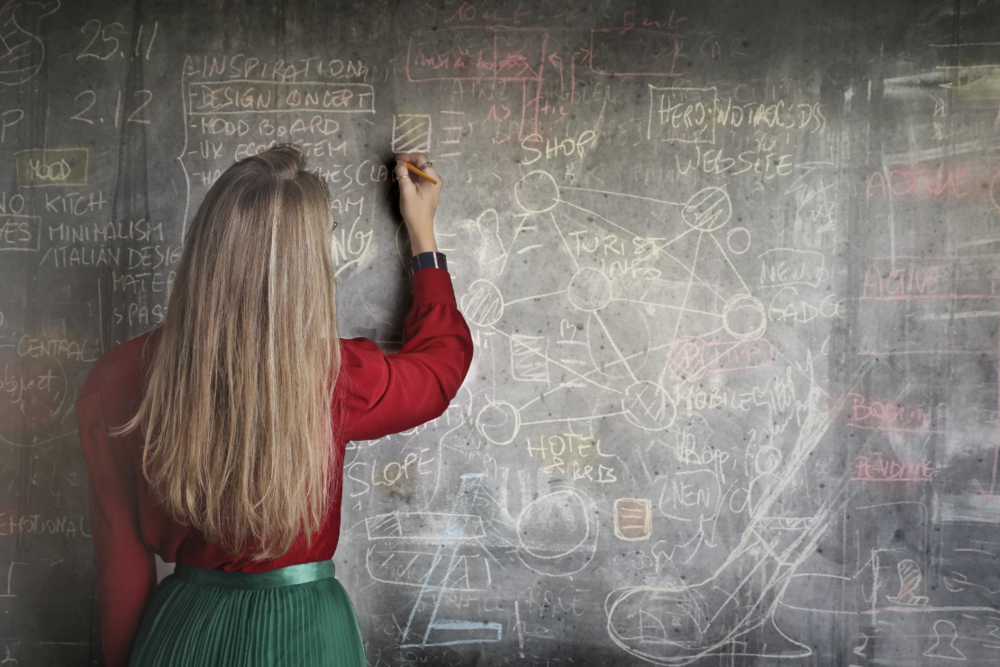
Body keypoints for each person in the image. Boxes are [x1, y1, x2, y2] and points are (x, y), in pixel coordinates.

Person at [74, 145, 474, 667]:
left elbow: (120, 567)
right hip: (306, 631)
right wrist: (423, 237)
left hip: (182, 632)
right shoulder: (338, 377)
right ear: (307, 264)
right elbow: (440, 368)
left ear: (205, 246)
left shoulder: (118, 378)